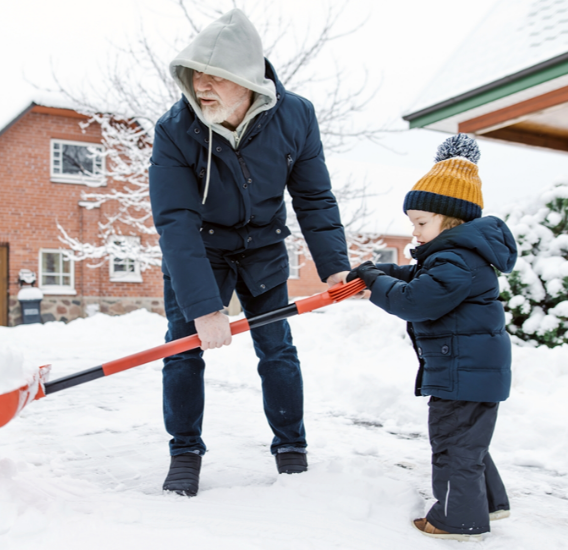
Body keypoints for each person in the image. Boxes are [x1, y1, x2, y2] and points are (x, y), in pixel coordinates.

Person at [148, 9, 351, 497]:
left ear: (246, 79)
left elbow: (313, 196)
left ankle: (291, 446)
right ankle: (185, 451)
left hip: (262, 245)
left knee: (277, 347)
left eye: (213, 76)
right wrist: (204, 308)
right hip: (200, 248)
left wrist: (334, 264)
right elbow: (175, 222)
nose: (201, 86)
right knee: (183, 349)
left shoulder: (295, 116)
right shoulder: (175, 129)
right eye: (195, 75)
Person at [346, 133, 516, 541]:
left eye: (421, 223)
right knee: (468, 443)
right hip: (469, 372)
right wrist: (380, 274)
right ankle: (489, 504)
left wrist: (376, 282)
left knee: (453, 445)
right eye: (412, 224)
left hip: (463, 375)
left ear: (452, 221)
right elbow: (417, 279)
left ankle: (457, 520)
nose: (414, 232)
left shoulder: (455, 260)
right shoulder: (458, 256)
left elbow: (416, 301)